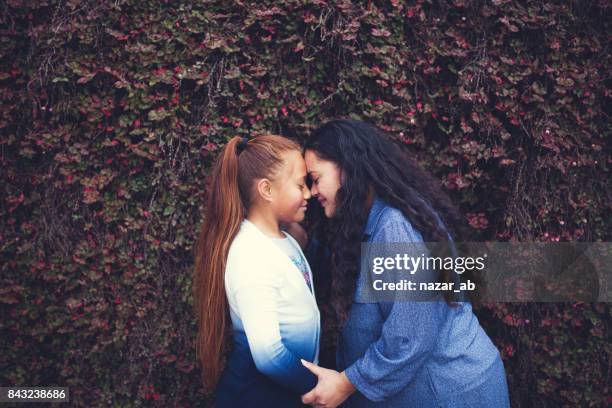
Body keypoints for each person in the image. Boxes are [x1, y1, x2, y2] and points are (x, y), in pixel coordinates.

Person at [299, 119, 510, 407]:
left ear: (347, 168)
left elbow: (411, 335)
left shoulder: (395, 228)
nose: (311, 192)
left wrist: (346, 383)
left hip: (451, 394)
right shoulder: (370, 223)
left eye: (315, 178)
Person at [192, 135, 320, 407]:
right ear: (267, 190)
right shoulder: (251, 253)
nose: (308, 194)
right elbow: (268, 354)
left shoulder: (282, 238)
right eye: (300, 185)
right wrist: (318, 387)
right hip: (256, 396)